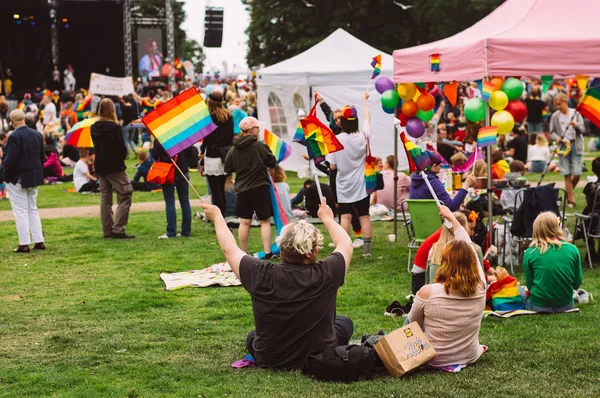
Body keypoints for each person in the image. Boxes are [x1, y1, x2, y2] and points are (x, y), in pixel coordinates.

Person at [201, 197, 353, 370]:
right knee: (344, 323)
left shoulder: (261, 274)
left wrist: (218, 217)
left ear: (282, 249)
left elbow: (229, 248)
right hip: (318, 354)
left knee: (253, 337)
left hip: (271, 357)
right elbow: (346, 244)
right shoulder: (326, 273)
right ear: (312, 252)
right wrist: (326, 218)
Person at [407, 205, 486, 368]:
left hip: (432, 358)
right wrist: (451, 217)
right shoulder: (481, 287)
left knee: (411, 321)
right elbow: (468, 245)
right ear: (472, 262)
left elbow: (412, 326)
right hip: (469, 356)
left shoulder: (428, 292)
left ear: (444, 262)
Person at [328, 94, 373, 259]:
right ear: (356, 121)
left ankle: (344, 251)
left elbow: (332, 166)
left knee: (345, 216)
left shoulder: (336, 140)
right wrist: (365, 102)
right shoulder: (364, 136)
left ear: (342, 122)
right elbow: (368, 119)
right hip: (362, 183)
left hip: (343, 184)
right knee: (364, 216)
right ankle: (367, 253)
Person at [224, 116, 277, 256]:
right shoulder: (259, 146)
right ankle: (267, 252)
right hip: (260, 186)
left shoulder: (234, 148)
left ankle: (243, 253)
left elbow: (227, 166)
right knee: (264, 220)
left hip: (242, 188)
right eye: (258, 127)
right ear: (252, 130)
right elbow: (272, 161)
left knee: (244, 222)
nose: (259, 130)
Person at [1, 110, 46, 253]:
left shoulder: (14, 137)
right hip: (33, 176)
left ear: (11, 121)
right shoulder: (37, 134)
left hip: (18, 178)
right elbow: (41, 157)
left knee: (20, 211)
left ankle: (24, 243)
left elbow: (10, 160)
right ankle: (39, 241)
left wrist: (4, 176)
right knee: (32, 208)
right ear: (24, 120)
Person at [91, 98, 134, 239]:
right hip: (115, 166)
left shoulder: (94, 127)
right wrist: (123, 155)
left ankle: (107, 230)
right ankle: (118, 228)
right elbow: (121, 149)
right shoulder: (114, 128)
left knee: (105, 198)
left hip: (101, 165)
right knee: (126, 193)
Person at [522, 212, 582, 312]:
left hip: (539, 305)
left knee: (520, 291)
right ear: (557, 227)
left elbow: (529, 285)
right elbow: (576, 283)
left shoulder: (530, 252)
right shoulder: (573, 249)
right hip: (566, 304)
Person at [200, 90, 234, 216]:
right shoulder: (228, 116)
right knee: (221, 190)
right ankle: (223, 217)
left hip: (213, 156)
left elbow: (207, 140)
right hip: (225, 155)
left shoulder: (210, 118)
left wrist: (202, 158)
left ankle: (219, 219)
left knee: (216, 192)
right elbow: (230, 136)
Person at [550, 93, 586, 208]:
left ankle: (569, 191)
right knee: (566, 174)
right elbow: (552, 132)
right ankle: (571, 200)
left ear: (565, 102)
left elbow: (583, 129)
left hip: (576, 145)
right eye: (556, 105)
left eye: (560, 104)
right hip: (563, 147)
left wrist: (575, 125)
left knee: (577, 173)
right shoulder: (555, 116)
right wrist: (557, 137)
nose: (558, 107)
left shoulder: (575, 114)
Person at [152, 143, 193, 239]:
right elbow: (190, 152)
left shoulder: (160, 136)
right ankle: (186, 231)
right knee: (185, 201)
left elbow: (155, 154)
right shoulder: (182, 135)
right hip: (182, 169)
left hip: (167, 170)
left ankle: (171, 232)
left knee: (170, 201)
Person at [409, 153, 476, 211]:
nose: (440, 164)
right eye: (436, 162)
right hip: (438, 223)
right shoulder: (434, 183)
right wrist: (466, 185)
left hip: (416, 223)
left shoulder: (414, 181)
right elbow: (452, 207)